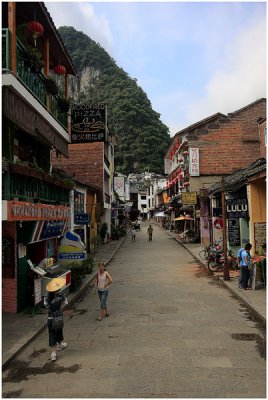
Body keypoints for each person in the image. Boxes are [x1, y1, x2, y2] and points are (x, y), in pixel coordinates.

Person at [44, 277, 68, 362]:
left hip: (50, 318)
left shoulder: (47, 297)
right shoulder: (62, 296)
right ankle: (60, 344)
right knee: (59, 330)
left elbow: (46, 306)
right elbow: (65, 303)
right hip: (58, 316)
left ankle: (53, 354)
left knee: (52, 334)